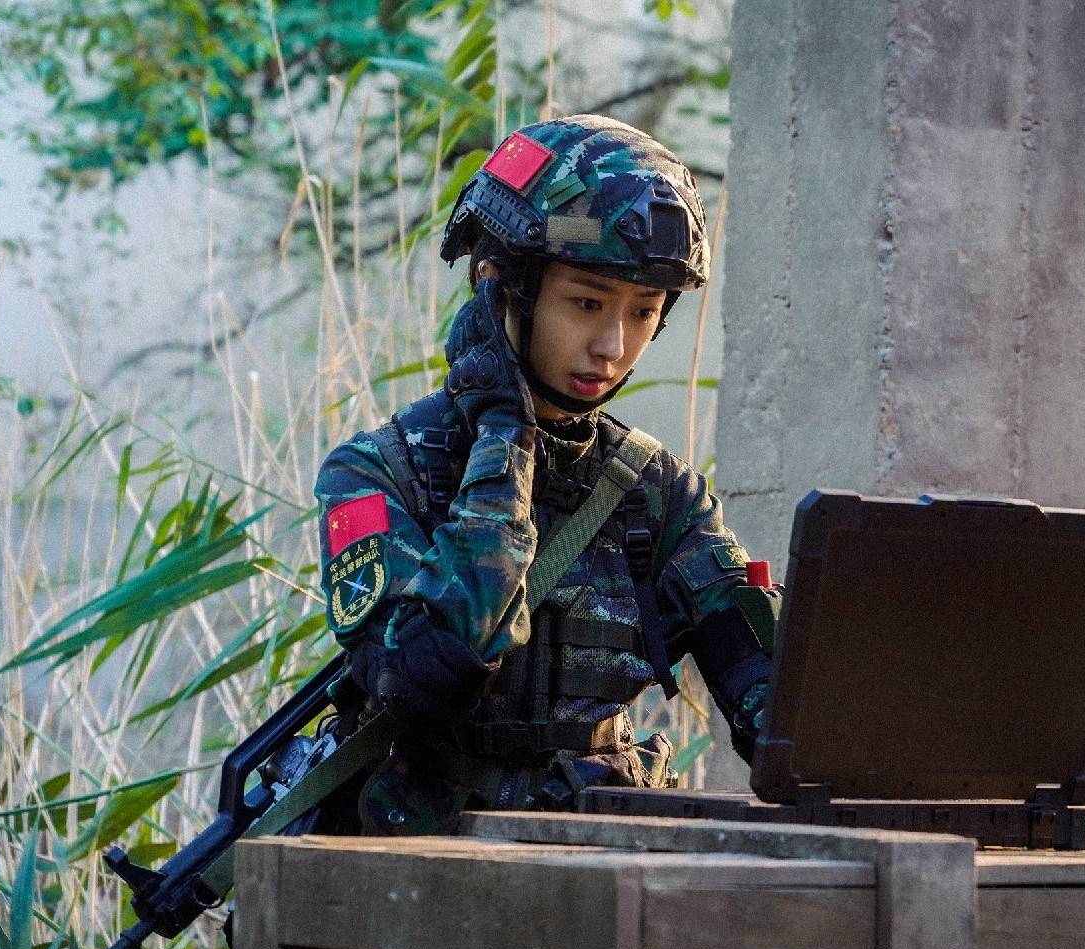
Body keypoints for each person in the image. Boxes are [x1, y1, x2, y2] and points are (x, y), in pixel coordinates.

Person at [312, 115, 773, 835]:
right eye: (586, 303)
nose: (613, 345)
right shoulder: (378, 473)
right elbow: (424, 677)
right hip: (422, 866)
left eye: (644, 312)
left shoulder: (659, 494)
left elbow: (776, 712)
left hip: (599, 859)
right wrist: (505, 436)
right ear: (503, 292)